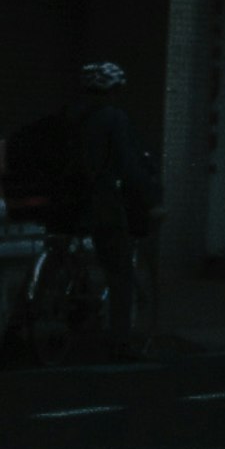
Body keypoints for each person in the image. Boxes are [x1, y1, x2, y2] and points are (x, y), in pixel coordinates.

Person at [62, 57, 162, 355]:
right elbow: (128, 168)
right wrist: (150, 200)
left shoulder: (67, 116)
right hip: (100, 207)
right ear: (115, 90)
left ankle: (72, 310)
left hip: (63, 204)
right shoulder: (113, 118)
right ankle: (120, 341)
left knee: (73, 254)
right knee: (119, 271)